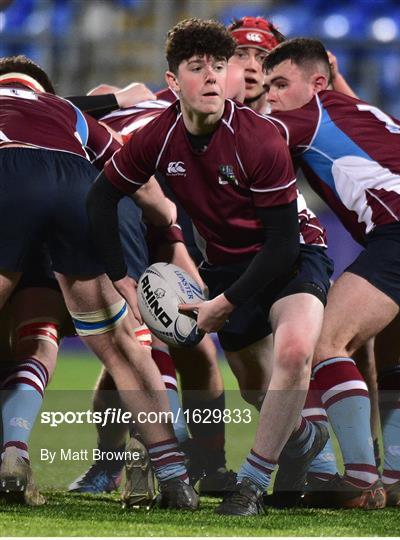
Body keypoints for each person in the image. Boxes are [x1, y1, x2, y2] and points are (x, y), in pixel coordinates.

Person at [86, 19, 335, 516]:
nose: (213, 78)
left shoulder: (262, 139)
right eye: (198, 68)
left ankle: (251, 485)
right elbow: (100, 201)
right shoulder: (157, 137)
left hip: (292, 257)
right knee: (255, 389)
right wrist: (122, 278)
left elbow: (283, 245)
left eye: (219, 67)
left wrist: (224, 303)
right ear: (173, 82)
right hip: (226, 264)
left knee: (293, 355)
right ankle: (305, 437)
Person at [262, 38, 400, 508]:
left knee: (327, 344)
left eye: (280, 84)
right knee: (393, 350)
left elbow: (241, 141)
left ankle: (361, 480)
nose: (272, 96)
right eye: (267, 87)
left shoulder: (308, 115)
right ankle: (397, 480)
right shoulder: (374, 114)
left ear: (317, 84)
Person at [0, 55, 198, 510]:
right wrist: (166, 217)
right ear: (42, 90)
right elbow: (132, 172)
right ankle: (173, 475)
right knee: (121, 344)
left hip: (6, 174)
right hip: (77, 184)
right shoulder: (66, 113)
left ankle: (13, 452)